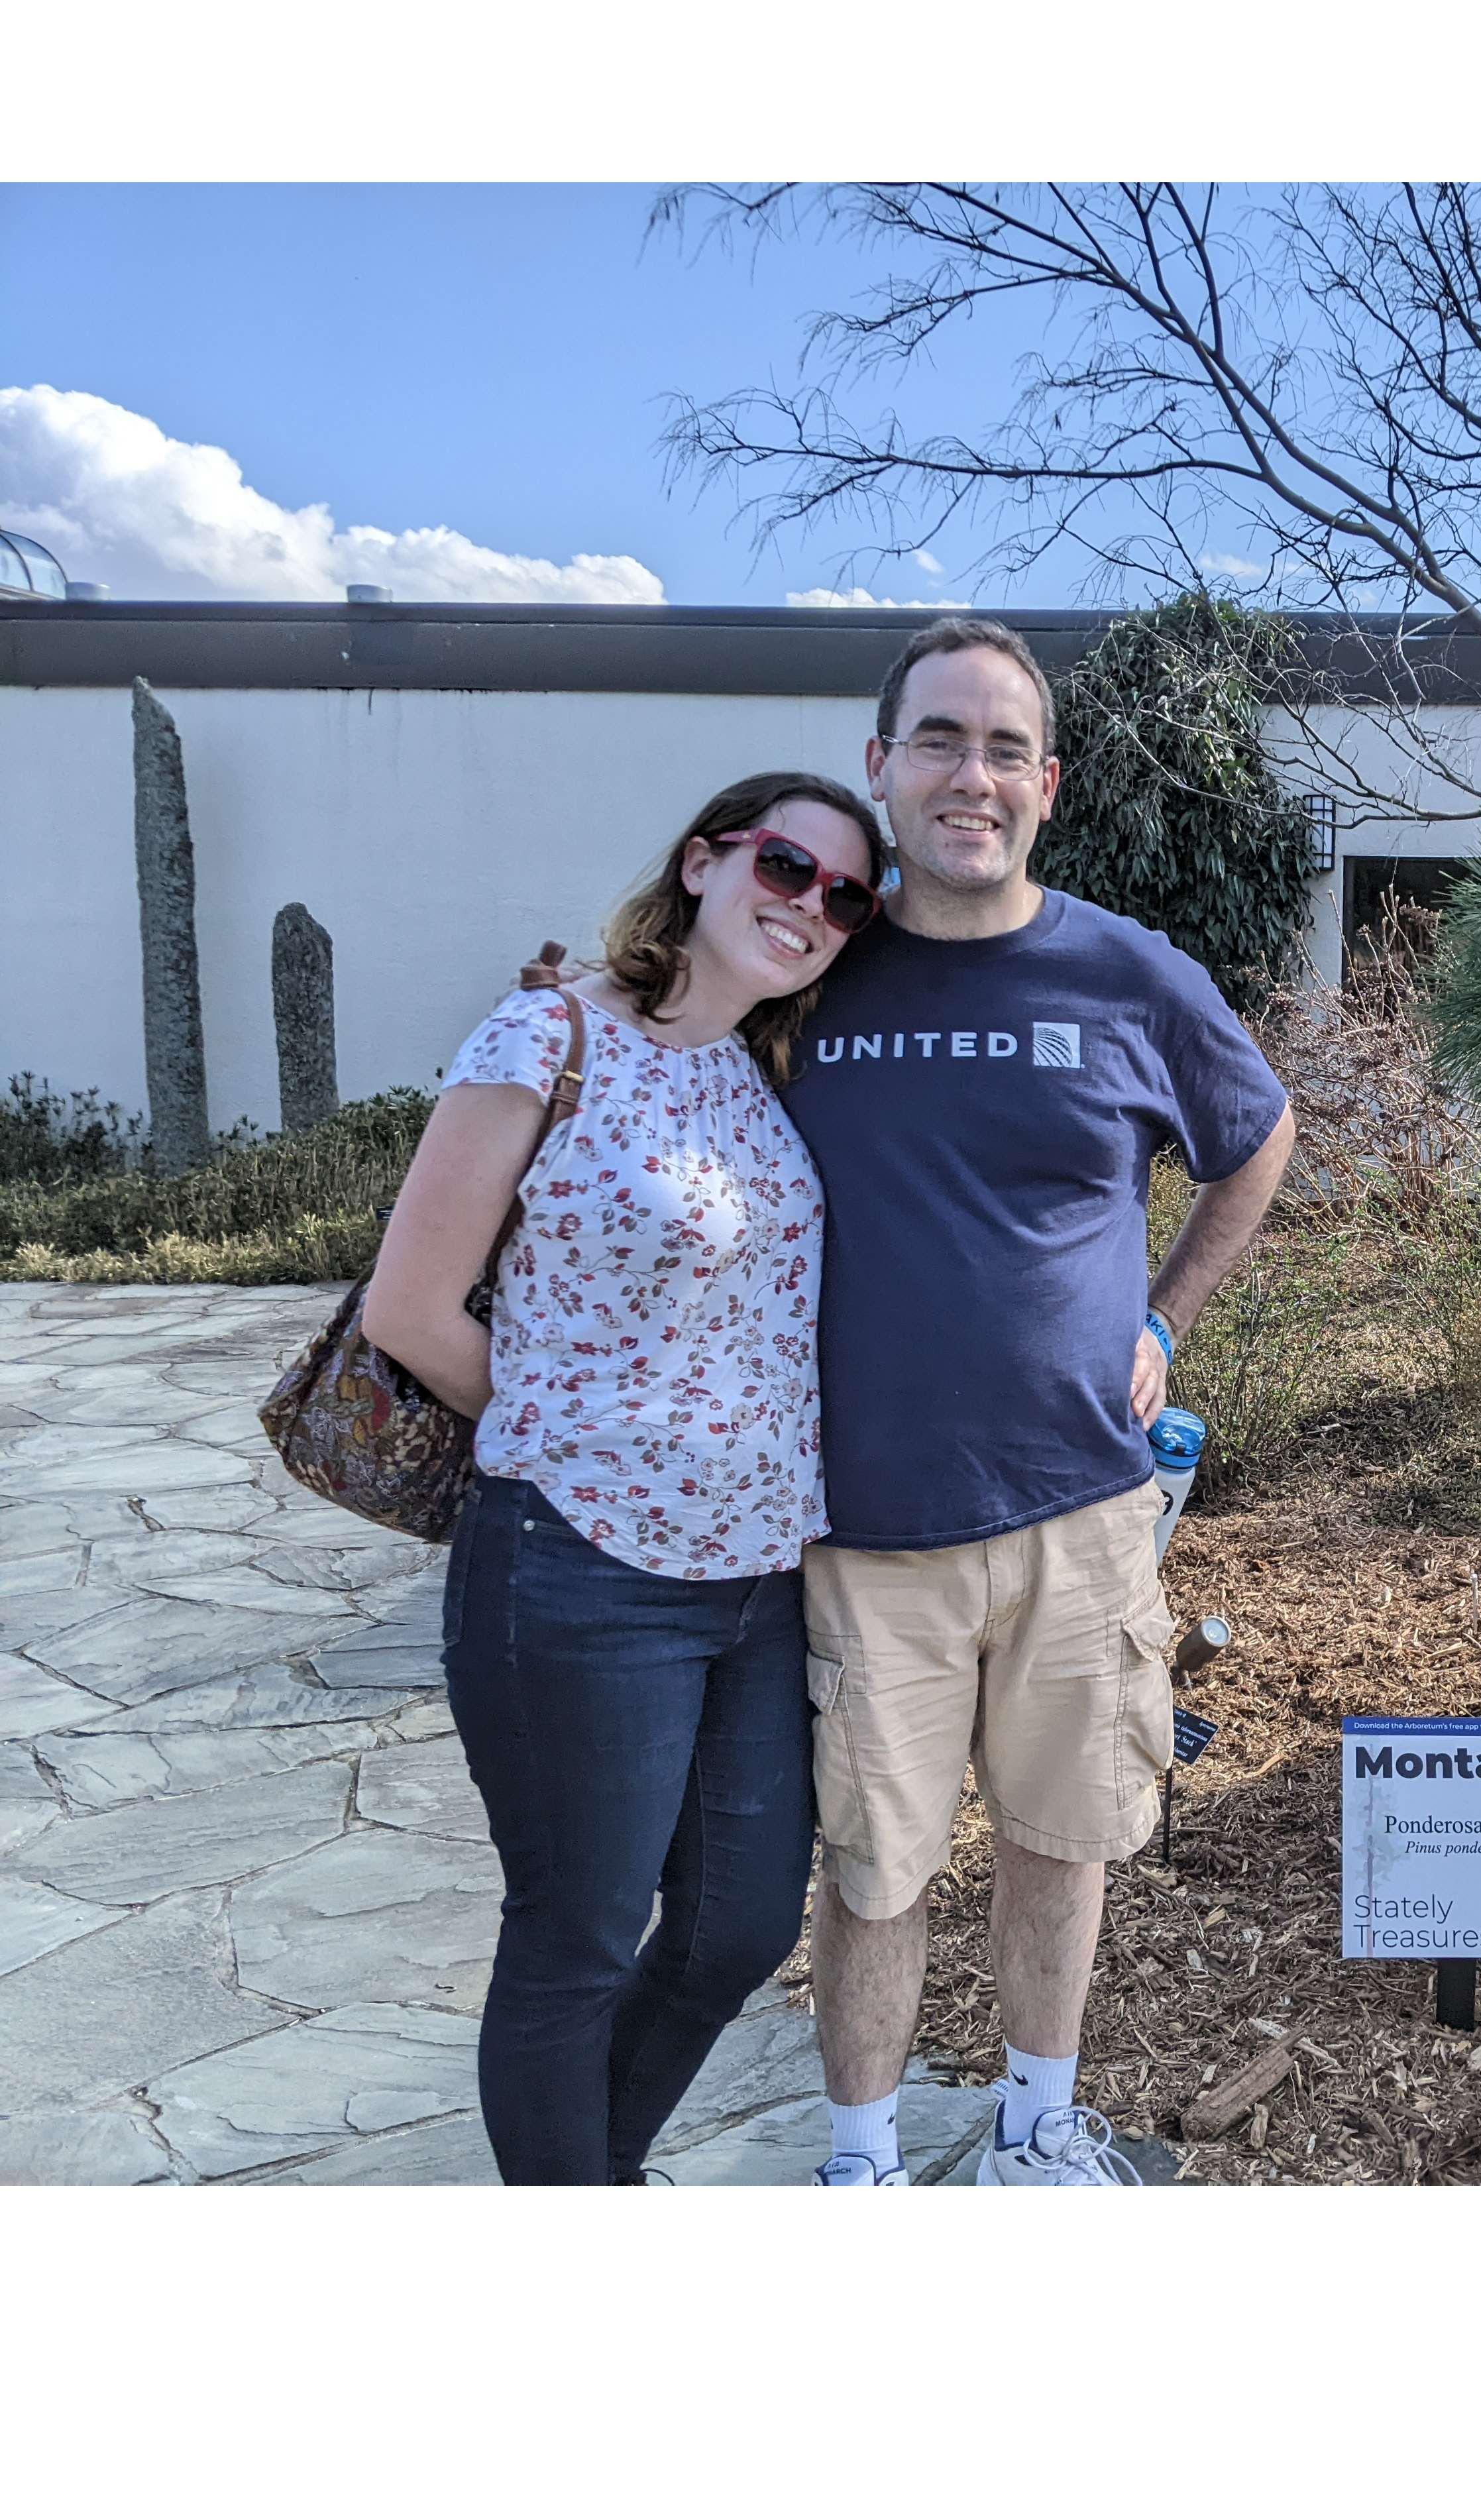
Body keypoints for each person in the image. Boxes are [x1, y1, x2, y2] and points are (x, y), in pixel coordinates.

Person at [787, 617, 1294, 2187]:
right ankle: (860, 2165)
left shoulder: (1127, 973)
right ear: (882, 766)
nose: (972, 776)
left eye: (1007, 748)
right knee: (875, 1868)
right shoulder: (808, 972)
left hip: (1085, 1509)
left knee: (1063, 1839)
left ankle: (1036, 2131)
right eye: (940, 739)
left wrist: (1167, 1315)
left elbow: (1254, 1136)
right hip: (870, 1526)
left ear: (1049, 785)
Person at [363, 772, 887, 2185]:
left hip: (757, 1580)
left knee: (737, 1928)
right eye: (788, 869)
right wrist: (585, 1431)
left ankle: (586, 2180)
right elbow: (407, 1309)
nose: (814, 909)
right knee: (578, 1939)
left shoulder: (761, 1073)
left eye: (846, 896)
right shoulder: (546, 1037)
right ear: (706, 863)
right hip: (581, 1568)